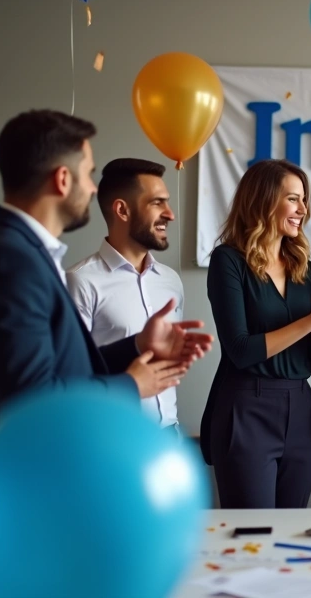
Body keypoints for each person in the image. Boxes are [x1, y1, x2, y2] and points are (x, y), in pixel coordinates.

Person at [0, 110, 213, 598]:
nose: (92, 185)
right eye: (88, 173)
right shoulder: (11, 262)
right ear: (62, 179)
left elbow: (50, 366)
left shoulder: (19, 251)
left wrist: (136, 347)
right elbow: (34, 399)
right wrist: (133, 384)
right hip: (15, 511)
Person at [200, 159, 311, 509]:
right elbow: (241, 349)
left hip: (299, 406)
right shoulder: (228, 261)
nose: (303, 209)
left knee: (291, 525)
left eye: (304, 200)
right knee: (253, 533)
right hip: (245, 407)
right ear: (264, 200)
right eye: (293, 199)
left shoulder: (302, 265)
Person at [67, 158, 187, 438]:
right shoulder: (80, 281)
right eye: (157, 203)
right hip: (110, 440)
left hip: (170, 437)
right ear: (122, 210)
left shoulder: (171, 282)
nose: (170, 214)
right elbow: (71, 375)